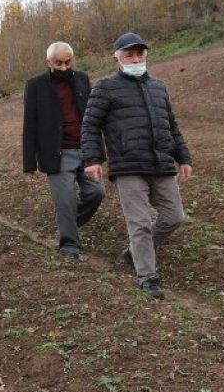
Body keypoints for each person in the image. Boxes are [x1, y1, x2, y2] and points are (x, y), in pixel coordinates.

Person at [82, 32, 192, 300]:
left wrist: (183, 157)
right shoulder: (105, 87)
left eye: (139, 54)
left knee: (174, 217)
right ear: (117, 59)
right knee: (140, 223)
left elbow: (171, 125)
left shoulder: (158, 87)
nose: (135, 59)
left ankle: (135, 252)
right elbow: (90, 125)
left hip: (160, 163)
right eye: (129, 55)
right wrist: (92, 159)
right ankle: (147, 277)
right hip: (128, 166)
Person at [22, 41, 105, 260]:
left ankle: (67, 223)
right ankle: (70, 246)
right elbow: (30, 124)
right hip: (57, 154)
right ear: (48, 62)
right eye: (58, 63)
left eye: (68, 62)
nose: (64, 67)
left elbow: (92, 118)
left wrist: (97, 152)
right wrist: (29, 162)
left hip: (85, 150)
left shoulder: (82, 79)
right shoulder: (35, 85)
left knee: (97, 192)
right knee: (65, 200)